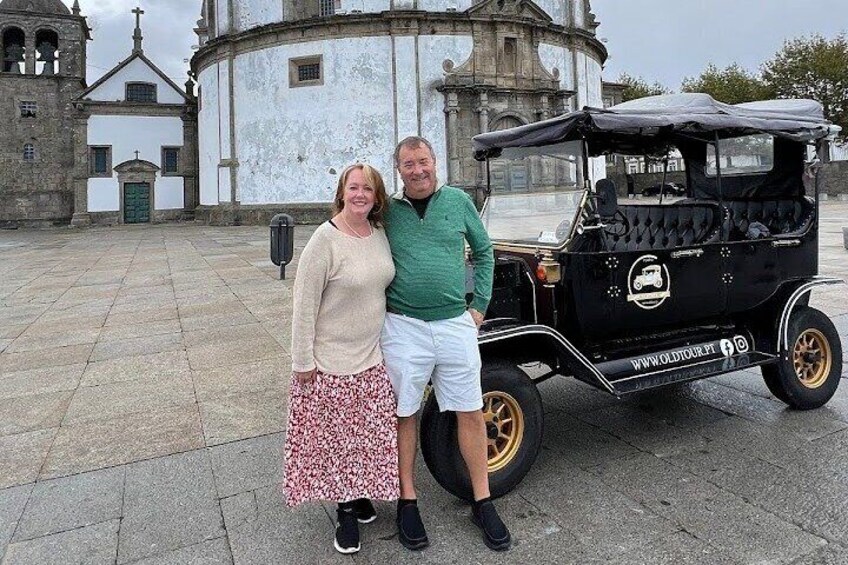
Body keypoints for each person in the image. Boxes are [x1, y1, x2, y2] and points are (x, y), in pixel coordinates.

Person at [381, 136, 511, 551]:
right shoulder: (388, 211)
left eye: (423, 162)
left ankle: (482, 499)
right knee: (405, 413)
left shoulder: (457, 201)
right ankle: (407, 500)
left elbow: (485, 251)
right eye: (407, 164)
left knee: (470, 410)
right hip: (404, 327)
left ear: (435, 162)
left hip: (455, 322)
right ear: (398, 170)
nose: (417, 170)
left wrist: (480, 306)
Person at [284, 163, 399, 555]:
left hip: (371, 357)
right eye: (353, 188)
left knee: (367, 437)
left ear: (377, 196)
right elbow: (303, 304)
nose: (360, 194)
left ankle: (360, 495)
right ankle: (345, 512)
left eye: (368, 188)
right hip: (332, 361)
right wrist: (302, 360)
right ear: (341, 192)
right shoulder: (324, 240)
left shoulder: (378, 232)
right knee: (340, 443)